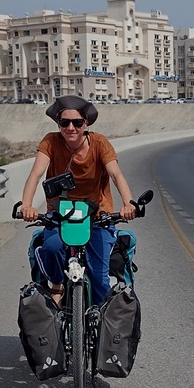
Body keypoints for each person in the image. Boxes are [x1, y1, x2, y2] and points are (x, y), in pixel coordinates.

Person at [20, 96, 137, 304]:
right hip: (61, 214)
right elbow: (36, 174)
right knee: (53, 247)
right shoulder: (51, 141)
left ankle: (99, 324)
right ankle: (57, 285)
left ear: (86, 124)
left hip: (97, 215)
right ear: (58, 124)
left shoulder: (100, 143)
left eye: (77, 123)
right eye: (65, 122)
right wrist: (26, 205)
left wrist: (128, 203)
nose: (71, 128)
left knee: (99, 277)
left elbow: (116, 175)